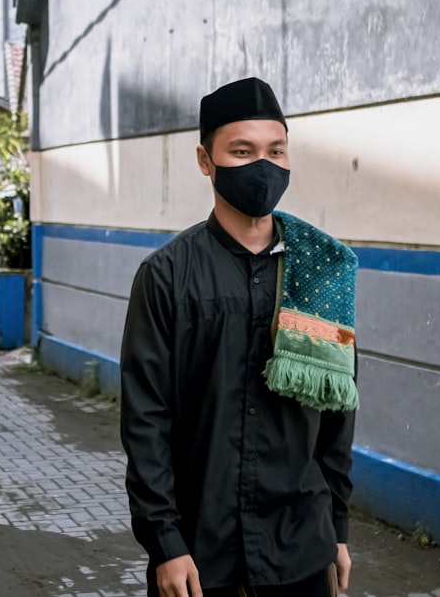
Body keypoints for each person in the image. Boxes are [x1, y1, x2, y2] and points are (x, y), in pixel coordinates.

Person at [120, 77, 359, 597]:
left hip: (301, 547)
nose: (264, 166)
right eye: (243, 151)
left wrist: (337, 530)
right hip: (200, 557)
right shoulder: (166, 276)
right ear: (206, 160)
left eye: (277, 150)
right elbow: (145, 419)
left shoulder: (319, 274)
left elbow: (338, 415)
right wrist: (166, 543)